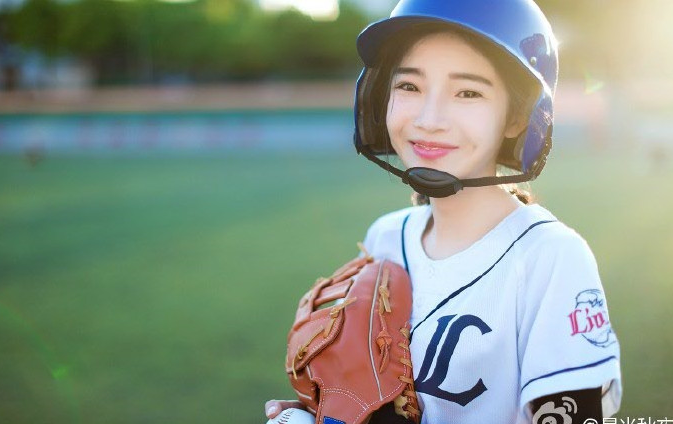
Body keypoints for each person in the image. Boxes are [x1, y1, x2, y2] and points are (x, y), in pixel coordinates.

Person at [266, 1, 622, 422]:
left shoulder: (550, 256)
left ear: (517, 117)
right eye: (409, 87)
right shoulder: (386, 235)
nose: (429, 119)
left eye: (468, 92)